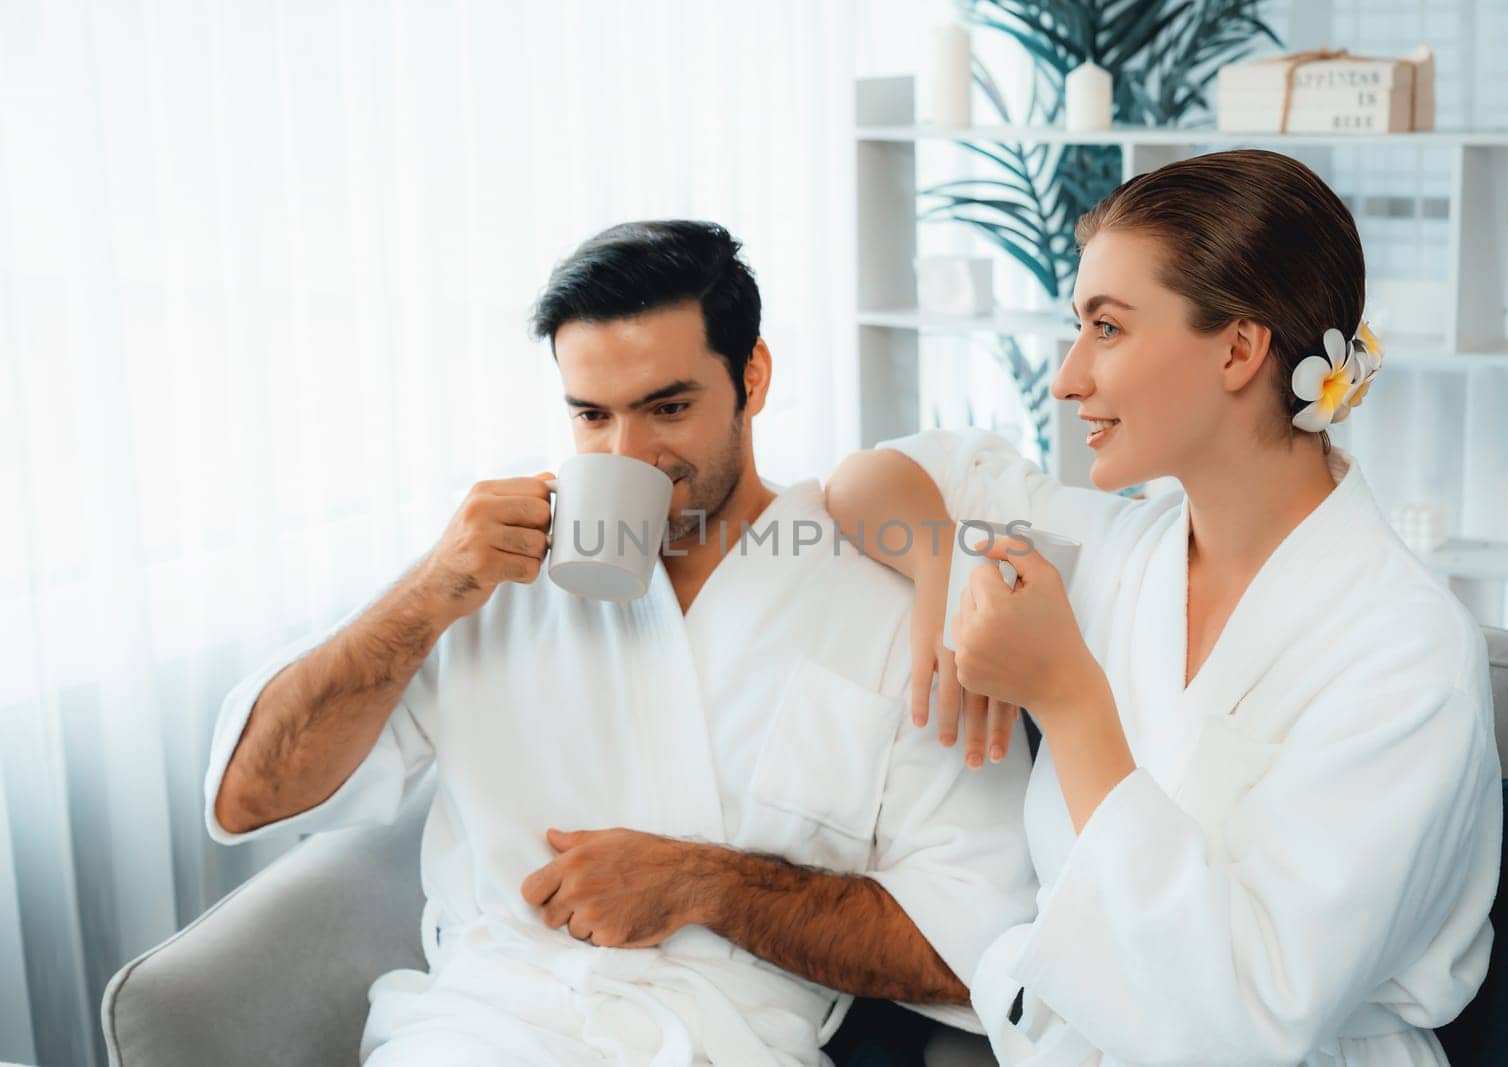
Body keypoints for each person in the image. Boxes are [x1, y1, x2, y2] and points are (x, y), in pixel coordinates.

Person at [203, 220, 1035, 1066]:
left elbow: (977, 942)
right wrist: (429, 594)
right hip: (473, 1032)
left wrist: (707, 886)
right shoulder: (489, 579)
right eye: (592, 416)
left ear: (754, 374)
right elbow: (249, 794)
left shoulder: (884, 601)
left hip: (719, 1045)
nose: (628, 453)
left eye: (667, 408)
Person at [823, 149, 1503, 1066]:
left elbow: (1250, 1018)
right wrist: (948, 574)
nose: (1066, 378)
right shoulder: (1115, 552)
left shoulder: (1407, 652)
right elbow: (872, 479)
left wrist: (1068, 697)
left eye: (1107, 327)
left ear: (1238, 347)